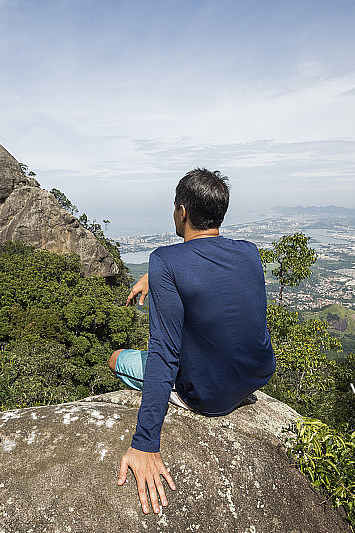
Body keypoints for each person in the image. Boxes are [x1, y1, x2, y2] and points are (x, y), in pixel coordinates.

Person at [107, 168, 276, 515]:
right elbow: (205, 273)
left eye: (174, 207)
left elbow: (164, 353)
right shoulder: (249, 252)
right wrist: (155, 278)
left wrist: (145, 443)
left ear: (182, 211)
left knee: (116, 357)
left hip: (207, 396)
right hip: (256, 376)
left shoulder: (165, 259)